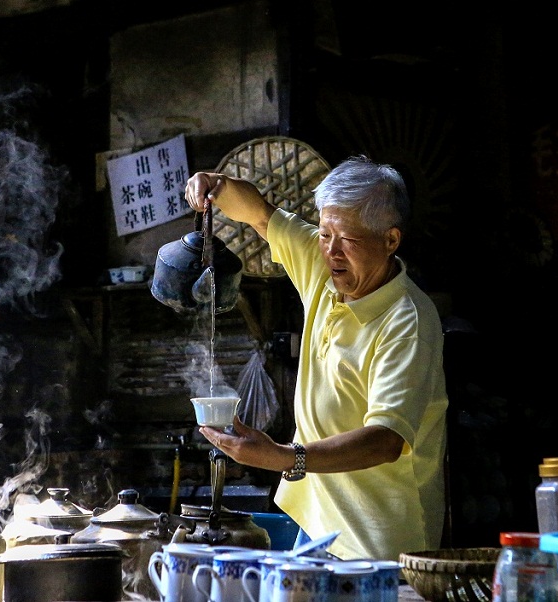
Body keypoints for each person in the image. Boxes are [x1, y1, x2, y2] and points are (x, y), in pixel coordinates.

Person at [186, 154, 448, 561]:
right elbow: (259, 214)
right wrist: (217, 187)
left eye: (348, 240)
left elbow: (386, 440)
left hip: (380, 543)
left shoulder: (407, 321)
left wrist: (284, 457)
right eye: (325, 234)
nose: (331, 252)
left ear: (390, 240)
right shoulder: (323, 265)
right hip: (316, 532)